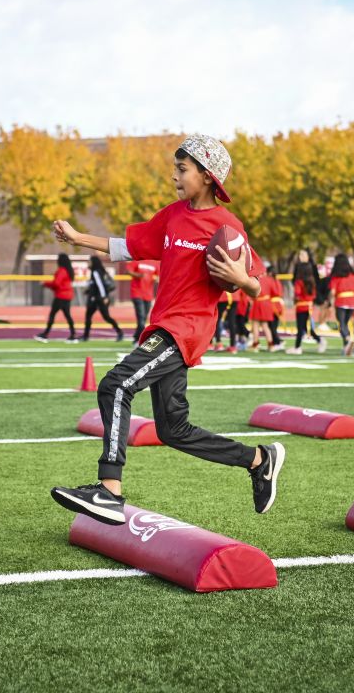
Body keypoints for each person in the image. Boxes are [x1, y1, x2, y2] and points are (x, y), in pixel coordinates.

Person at [48, 133, 286, 525]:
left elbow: (257, 285)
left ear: (208, 176)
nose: (174, 175)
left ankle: (109, 491)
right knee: (174, 430)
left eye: (182, 168)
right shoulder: (173, 215)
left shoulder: (227, 226)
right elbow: (126, 245)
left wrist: (240, 278)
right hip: (163, 325)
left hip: (186, 329)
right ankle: (260, 460)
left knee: (115, 385)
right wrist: (77, 238)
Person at [35, 253, 78, 342]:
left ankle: (45, 335)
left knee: (52, 315)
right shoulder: (68, 270)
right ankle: (73, 335)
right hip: (68, 295)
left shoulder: (62, 270)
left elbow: (56, 283)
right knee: (67, 315)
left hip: (61, 296)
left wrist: (45, 284)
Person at [288, 255, 325, 354]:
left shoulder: (299, 282)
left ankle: (298, 347)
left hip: (301, 307)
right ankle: (320, 341)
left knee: (301, 328)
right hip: (309, 306)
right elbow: (313, 295)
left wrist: (295, 300)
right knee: (306, 328)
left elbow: (297, 295)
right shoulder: (312, 282)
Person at [82, 255, 125, 342]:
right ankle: (85, 336)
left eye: (89, 261)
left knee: (106, 317)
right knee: (89, 316)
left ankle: (119, 332)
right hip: (97, 298)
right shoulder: (99, 271)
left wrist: (104, 297)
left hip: (98, 298)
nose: (88, 263)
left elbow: (100, 285)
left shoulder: (95, 272)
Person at [329, 254, 354, 355]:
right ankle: (346, 346)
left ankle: (348, 338)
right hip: (352, 302)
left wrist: (330, 302)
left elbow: (333, 292)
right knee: (345, 324)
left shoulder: (336, 277)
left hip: (341, 301)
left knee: (341, 324)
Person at [126, 259, 158, 343]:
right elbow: (128, 271)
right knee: (141, 318)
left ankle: (136, 337)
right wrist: (137, 275)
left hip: (148, 295)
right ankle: (141, 340)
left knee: (143, 318)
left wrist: (157, 278)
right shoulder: (137, 260)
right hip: (136, 293)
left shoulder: (155, 262)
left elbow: (159, 274)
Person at [248, 264, 277, 351]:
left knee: (255, 324)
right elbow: (274, 292)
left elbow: (251, 292)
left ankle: (255, 344)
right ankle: (270, 344)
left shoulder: (256, 279)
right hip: (267, 303)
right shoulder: (269, 279)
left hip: (258, 302)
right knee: (265, 325)